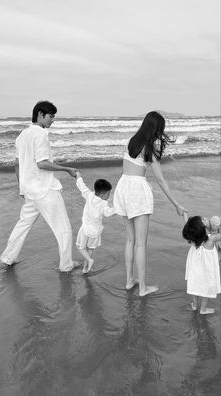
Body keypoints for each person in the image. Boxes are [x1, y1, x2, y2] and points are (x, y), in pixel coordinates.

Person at [0, 100, 79, 272]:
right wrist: (66, 169)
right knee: (63, 228)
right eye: (51, 116)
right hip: (45, 189)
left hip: (30, 190)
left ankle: (8, 257)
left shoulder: (22, 136)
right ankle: (66, 265)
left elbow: (17, 164)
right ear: (40, 115)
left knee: (23, 225)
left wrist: (22, 187)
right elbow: (42, 163)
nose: (53, 120)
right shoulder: (41, 134)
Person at [113, 111, 186, 296]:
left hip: (122, 187)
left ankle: (130, 281)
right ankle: (143, 288)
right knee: (141, 244)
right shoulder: (149, 147)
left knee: (130, 239)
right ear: (156, 128)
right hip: (137, 191)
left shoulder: (132, 141)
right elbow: (161, 181)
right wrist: (176, 204)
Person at [75, 171, 115, 273]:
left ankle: (89, 261)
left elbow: (81, 186)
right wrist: (117, 208)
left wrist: (78, 175)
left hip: (85, 228)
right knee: (90, 249)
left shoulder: (89, 195)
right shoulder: (103, 203)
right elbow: (108, 213)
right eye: (108, 194)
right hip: (96, 231)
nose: (109, 196)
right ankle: (86, 268)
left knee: (80, 247)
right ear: (102, 194)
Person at [182, 214, 221, 314]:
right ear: (203, 228)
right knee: (206, 289)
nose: (205, 218)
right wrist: (216, 227)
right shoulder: (211, 240)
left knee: (195, 287)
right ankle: (203, 309)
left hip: (195, 272)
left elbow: (188, 227)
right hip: (206, 272)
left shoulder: (194, 240)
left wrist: (184, 214)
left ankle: (194, 305)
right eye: (203, 220)